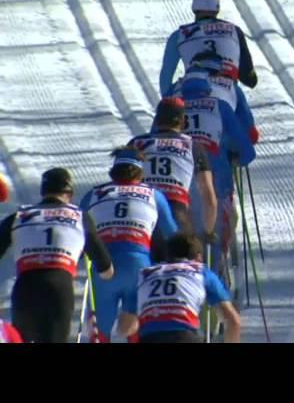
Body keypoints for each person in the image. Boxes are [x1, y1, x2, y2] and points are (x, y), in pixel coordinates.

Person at [0, 168, 113, 343]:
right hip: (59, 288)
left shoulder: (20, 216)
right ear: (69, 193)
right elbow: (105, 266)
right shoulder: (78, 216)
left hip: (26, 288)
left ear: (43, 191)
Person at [80, 147, 179, 343]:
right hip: (139, 265)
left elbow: (77, 229)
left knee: (101, 332)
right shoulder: (154, 195)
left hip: (104, 267)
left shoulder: (93, 195)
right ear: (140, 171)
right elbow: (172, 235)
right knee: (138, 327)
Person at [175, 76, 257, 274]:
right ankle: (218, 276)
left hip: (179, 189)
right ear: (207, 91)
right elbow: (248, 152)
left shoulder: (172, 110)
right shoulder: (219, 106)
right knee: (219, 233)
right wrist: (235, 157)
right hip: (217, 184)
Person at [126, 232, 241, 343]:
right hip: (185, 336)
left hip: (150, 338)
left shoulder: (145, 275)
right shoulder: (201, 271)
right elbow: (233, 321)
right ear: (198, 257)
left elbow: (125, 326)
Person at [128, 98, 217, 239]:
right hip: (177, 215)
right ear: (183, 121)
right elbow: (209, 197)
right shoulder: (193, 146)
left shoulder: (137, 143)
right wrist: (208, 232)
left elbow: (121, 183)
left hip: (142, 214)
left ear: (156, 120)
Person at [159, 0, 258, 97]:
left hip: (193, 91)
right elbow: (250, 79)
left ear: (194, 8)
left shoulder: (179, 35)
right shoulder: (234, 31)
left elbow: (166, 76)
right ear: (217, 7)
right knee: (240, 106)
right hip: (227, 92)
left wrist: (167, 102)